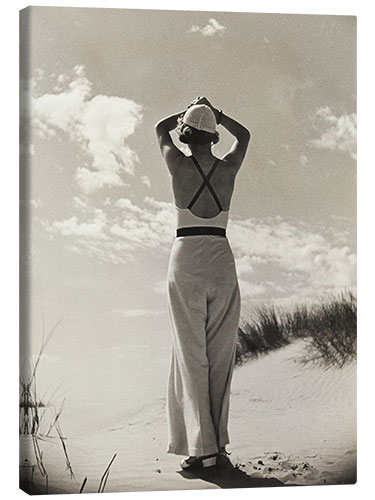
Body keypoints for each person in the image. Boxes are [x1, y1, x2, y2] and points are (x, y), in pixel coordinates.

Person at [155, 97, 250, 470]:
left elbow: (160, 130)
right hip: (221, 260)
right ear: (212, 138)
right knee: (221, 354)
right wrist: (217, 112)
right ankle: (218, 447)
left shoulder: (178, 164)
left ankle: (203, 449)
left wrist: (184, 111)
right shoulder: (227, 168)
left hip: (186, 258)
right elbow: (244, 136)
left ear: (187, 135)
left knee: (190, 355)